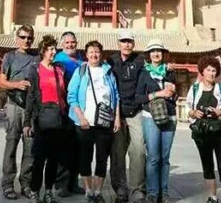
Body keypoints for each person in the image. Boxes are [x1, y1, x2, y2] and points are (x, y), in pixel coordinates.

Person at [68, 40, 121, 203]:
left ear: (101, 54)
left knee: (102, 158)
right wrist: (81, 117)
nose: (94, 54)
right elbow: (72, 96)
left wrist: (117, 117)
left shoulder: (108, 71)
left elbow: (116, 96)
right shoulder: (81, 71)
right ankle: (88, 191)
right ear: (86, 54)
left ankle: (98, 191)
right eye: (91, 51)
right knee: (85, 157)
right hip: (85, 122)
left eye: (97, 51)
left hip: (104, 122)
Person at [23, 35, 67, 203]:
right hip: (41, 117)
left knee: (53, 158)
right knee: (39, 157)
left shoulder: (59, 69)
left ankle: (48, 191)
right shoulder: (36, 70)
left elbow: (64, 94)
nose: (53, 52)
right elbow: (31, 96)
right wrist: (27, 122)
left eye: (54, 49)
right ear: (43, 51)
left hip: (58, 117)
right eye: (50, 49)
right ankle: (35, 190)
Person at [186, 57, 221, 203]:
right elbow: (188, 108)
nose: (211, 73)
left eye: (214, 70)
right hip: (202, 132)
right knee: (207, 165)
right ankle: (212, 196)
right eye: (208, 70)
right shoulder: (195, 89)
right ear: (202, 71)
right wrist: (194, 113)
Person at [134, 39, 178, 203]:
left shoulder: (169, 71)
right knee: (153, 157)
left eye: (158, 51)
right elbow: (138, 98)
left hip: (170, 115)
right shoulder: (144, 73)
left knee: (165, 158)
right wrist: (158, 94)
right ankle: (152, 192)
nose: (156, 54)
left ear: (163, 53)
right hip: (150, 116)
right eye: (152, 51)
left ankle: (164, 192)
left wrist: (173, 93)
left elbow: (175, 93)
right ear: (148, 54)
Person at [0, 25, 38, 200]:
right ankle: (8, 184)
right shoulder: (9, 56)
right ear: (17, 38)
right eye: (23, 37)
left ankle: (26, 184)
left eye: (29, 38)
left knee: (30, 147)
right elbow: (1, 81)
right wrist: (17, 84)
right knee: (12, 144)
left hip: (30, 108)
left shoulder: (36, 58)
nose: (26, 40)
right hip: (14, 105)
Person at [108, 30, 146, 203]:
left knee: (138, 152)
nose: (127, 44)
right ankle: (120, 190)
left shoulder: (140, 61)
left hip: (135, 112)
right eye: (123, 41)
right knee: (117, 153)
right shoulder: (111, 61)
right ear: (118, 43)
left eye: (129, 41)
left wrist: (167, 69)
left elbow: (155, 69)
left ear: (133, 43)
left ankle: (137, 190)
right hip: (117, 114)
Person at [53, 31, 86, 197]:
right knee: (64, 148)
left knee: (77, 147)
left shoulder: (81, 60)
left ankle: (73, 182)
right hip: (64, 109)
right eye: (67, 42)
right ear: (62, 44)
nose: (70, 45)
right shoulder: (58, 60)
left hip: (79, 110)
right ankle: (61, 184)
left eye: (72, 42)